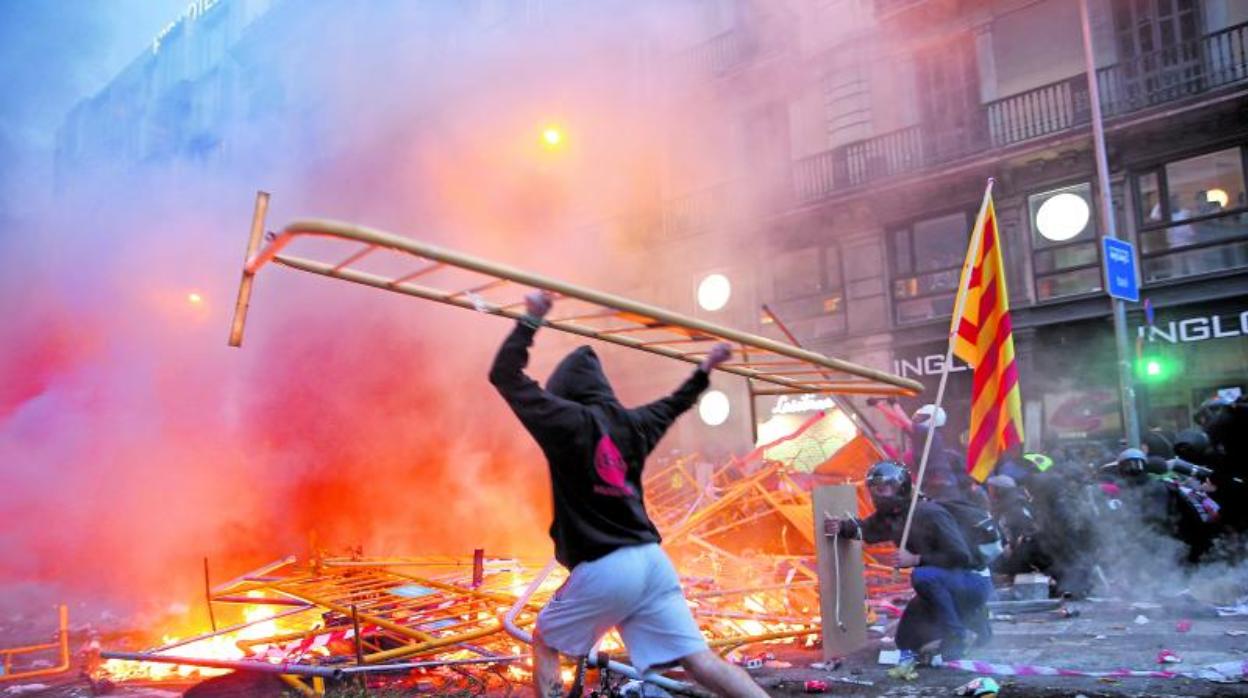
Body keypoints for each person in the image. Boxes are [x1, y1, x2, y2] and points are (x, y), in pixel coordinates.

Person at [489, 290, 767, 698]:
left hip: (605, 566)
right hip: (652, 563)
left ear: (564, 391)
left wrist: (532, 318)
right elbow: (676, 404)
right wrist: (706, 368)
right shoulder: (633, 424)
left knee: (545, 641)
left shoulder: (565, 419)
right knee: (701, 661)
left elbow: (504, 375)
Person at [824, 460, 992, 665]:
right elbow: (867, 530)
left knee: (921, 576)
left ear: (901, 486)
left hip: (972, 580)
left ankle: (956, 636)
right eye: (876, 489)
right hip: (941, 583)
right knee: (906, 641)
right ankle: (974, 618)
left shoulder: (929, 513)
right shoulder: (891, 516)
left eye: (885, 488)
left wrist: (916, 559)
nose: (879, 494)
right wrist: (841, 527)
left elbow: (961, 556)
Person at [867, 397, 959, 501]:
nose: (917, 419)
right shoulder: (922, 436)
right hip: (933, 486)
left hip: (941, 488)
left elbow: (903, 420)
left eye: (922, 417)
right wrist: (880, 406)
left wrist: (894, 405)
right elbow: (898, 421)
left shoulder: (928, 434)